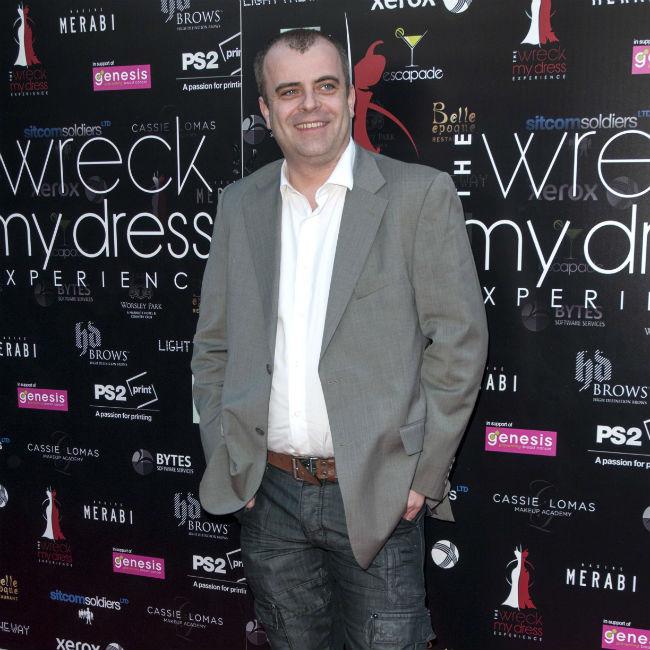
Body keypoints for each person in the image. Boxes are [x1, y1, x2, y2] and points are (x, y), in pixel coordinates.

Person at [192, 28, 488, 650]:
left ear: (351, 97)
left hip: (378, 495)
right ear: (265, 110)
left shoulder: (418, 196)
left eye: (326, 86)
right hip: (268, 495)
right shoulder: (239, 205)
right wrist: (228, 459)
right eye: (289, 91)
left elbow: (458, 344)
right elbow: (213, 346)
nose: (310, 105)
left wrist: (422, 475)